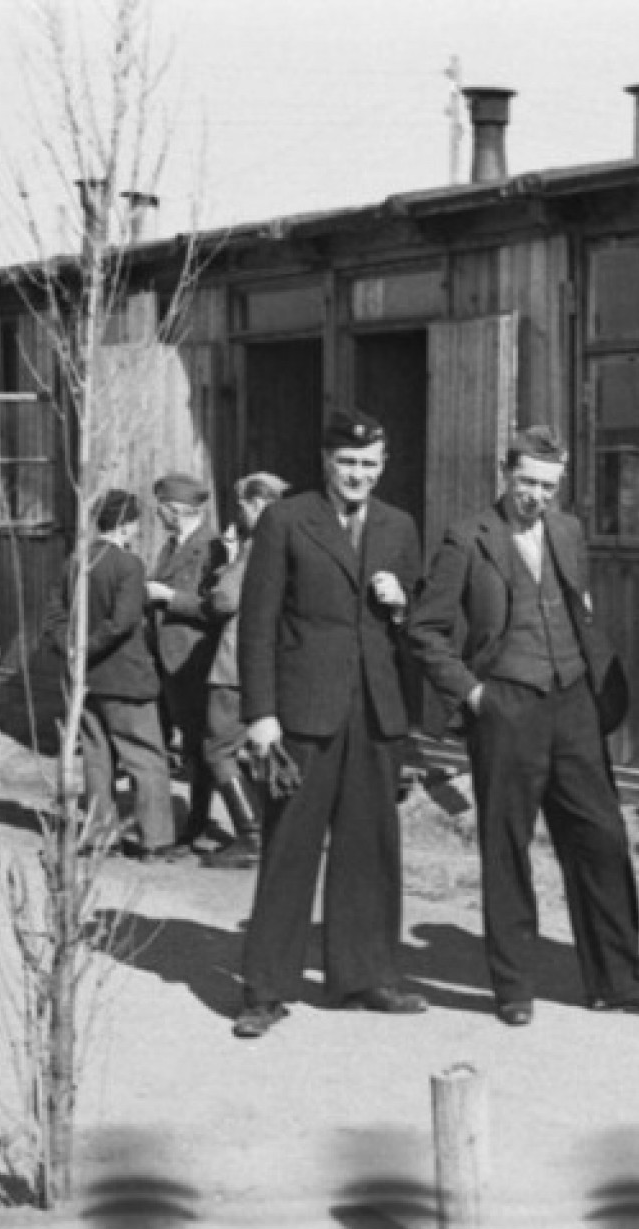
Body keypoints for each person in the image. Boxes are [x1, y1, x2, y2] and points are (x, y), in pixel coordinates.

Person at [407, 425, 639, 1027]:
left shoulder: (568, 530)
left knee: (602, 840)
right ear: (505, 475)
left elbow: (576, 606)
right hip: (507, 705)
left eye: (548, 486)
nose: (536, 497)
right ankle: (513, 988)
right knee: (507, 849)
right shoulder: (466, 539)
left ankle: (618, 981)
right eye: (526, 482)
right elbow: (424, 630)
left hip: (574, 702)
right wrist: (473, 695)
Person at [230, 408, 426, 1038]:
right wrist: (260, 713)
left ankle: (364, 975)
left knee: (370, 847)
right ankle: (265, 989)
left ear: (383, 466)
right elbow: (257, 622)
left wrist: (403, 606)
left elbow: (419, 627)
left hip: (374, 710)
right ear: (326, 462)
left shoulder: (399, 526)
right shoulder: (288, 520)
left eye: (369, 465)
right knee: (289, 847)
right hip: (302, 714)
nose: (358, 475)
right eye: (347, 463)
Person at [48, 490, 177, 857]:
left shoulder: (75, 561)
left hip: (85, 679)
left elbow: (54, 616)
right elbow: (123, 623)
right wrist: (88, 648)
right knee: (147, 759)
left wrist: (71, 650)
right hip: (126, 679)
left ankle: (99, 836)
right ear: (129, 525)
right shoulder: (129, 565)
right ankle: (156, 840)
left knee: (96, 759)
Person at [197, 471, 290, 870]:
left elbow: (223, 600)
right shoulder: (296, 539)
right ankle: (280, 832)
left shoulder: (256, 546)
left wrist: (226, 566)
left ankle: (250, 834)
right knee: (266, 749)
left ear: (255, 505)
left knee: (218, 747)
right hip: (277, 661)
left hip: (234, 665)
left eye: (242, 506)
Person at [144, 472, 225, 853]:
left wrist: (168, 596)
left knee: (201, 745)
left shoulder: (212, 549)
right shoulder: (172, 545)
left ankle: (198, 825)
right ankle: (189, 822)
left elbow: (217, 608)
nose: (158, 515)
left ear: (176, 510)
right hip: (167, 658)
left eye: (162, 509)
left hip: (195, 659)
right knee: (186, 745)